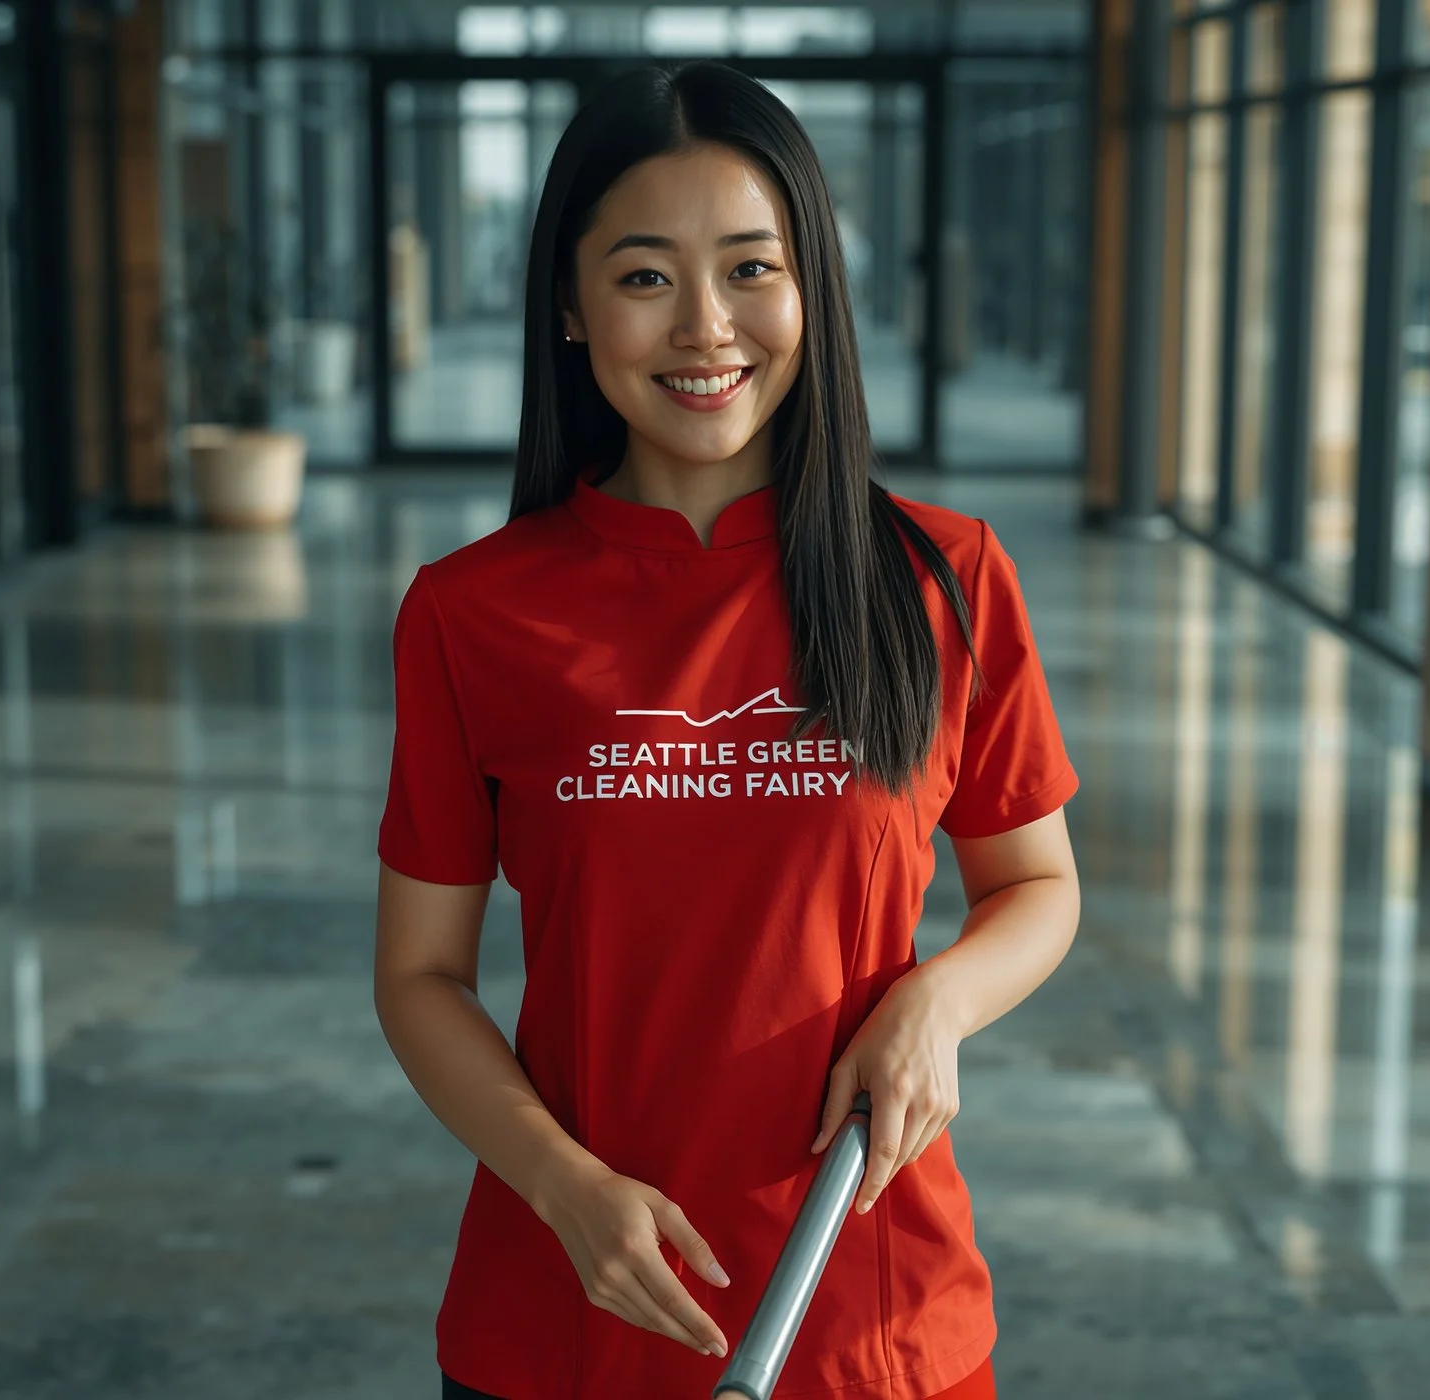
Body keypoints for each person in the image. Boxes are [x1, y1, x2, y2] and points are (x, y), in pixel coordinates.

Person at [373, 61, 1081, 1400]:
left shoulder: (942, 577)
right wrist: (564, 1186)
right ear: (572, 309)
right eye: (645, 276)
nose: (707, 326)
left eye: (753, 269)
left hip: (872, 1314)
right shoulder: (472, 614)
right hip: (564, 1313)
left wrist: (939, 1002)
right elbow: (419, 975)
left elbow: (1036, 883)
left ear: (813, 285)